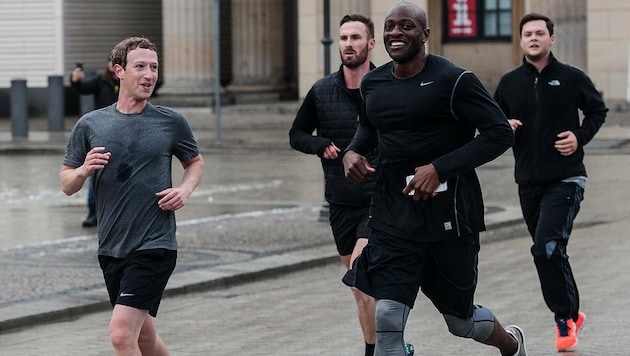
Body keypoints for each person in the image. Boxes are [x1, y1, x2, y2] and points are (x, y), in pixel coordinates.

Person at [342, 2, 526, 355]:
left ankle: (511, 344)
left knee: (460, 321)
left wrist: (439, 167)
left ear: (425, 34)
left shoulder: (454, 80)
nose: (396, 33)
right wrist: (353, 152)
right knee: (388, 319)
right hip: (393, 217)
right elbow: (368, 127)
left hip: (450, 217)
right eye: (390, 26)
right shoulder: (373, 84)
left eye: (407, 26)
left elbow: (500, 133)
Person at [60, 37, 204, 355]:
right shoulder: (91, 124)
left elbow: (194, 162)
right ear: (119, 71)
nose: (149, 75)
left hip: (155, 245)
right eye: (140, 67)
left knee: (121, 334)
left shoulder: (171, 122)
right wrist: (83, 171)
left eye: (153, 68)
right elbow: (67, 183)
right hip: (111, 248)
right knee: (144, 339)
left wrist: (185, 189)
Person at [290, 14, 415, 356]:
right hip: (341, 201)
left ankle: (378, 350)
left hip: (382, 199)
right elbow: (296, 134)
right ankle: (392, 343)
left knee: (361, 281)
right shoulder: (321, 91)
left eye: (356, 38)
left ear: (371, 44)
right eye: (344, 38)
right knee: (361, 288)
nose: (348, 44)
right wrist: (320, 144)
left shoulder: (389, 85)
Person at [493, 13, 607, 352]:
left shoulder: (572, 78)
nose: (533, 38)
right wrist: (504, 127)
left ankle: (564, 318)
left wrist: (580, 135)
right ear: (521, 40)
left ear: (551, 39)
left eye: (540, 33)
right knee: (547, 252)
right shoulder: (509, 83)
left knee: (548, 246)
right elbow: (491, 122)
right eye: (527, 34)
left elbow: (598, 111)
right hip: (528, 182)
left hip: (567, 178)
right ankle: (572, 311)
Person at [70, 52, 120, 228]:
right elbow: (83, 88)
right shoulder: (101, 81)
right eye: (111, 63)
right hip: (103, 132)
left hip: (124, 132)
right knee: (96, 171)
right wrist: (75, 80)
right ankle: (93, 212)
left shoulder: (127, 82)